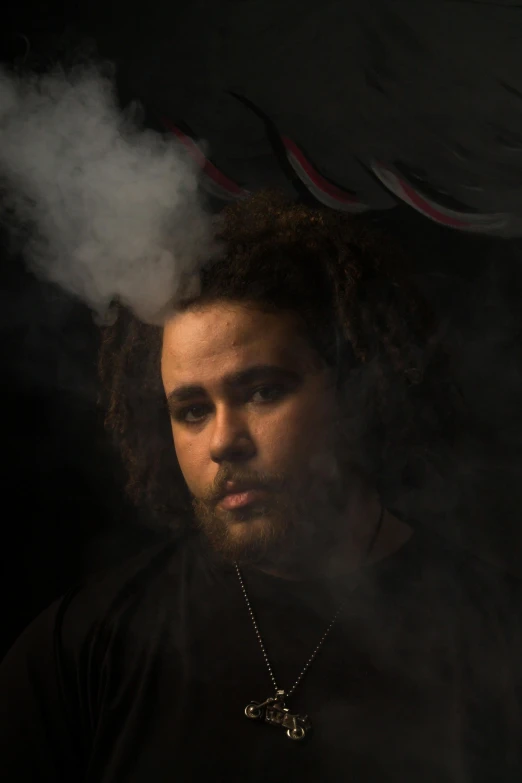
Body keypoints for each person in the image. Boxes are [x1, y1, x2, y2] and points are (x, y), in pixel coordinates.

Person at [1, 191, 521, 782]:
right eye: (192, 410)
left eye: (262, 391)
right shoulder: (87, 645)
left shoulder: (498, 637)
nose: (224, 441)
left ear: (357, 389)